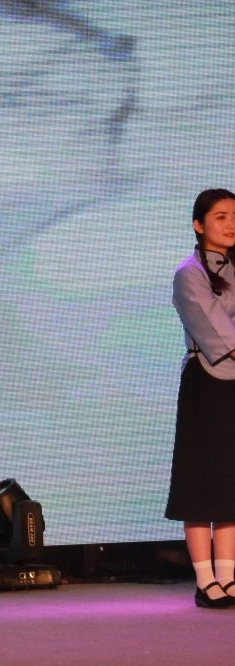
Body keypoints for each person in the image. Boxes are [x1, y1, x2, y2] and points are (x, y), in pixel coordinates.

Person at [166, 188, 235, 609]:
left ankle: (228, 576)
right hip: (206, 384)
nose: (231, 224)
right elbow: (217, 332)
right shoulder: (189, 272)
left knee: (230, 481)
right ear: (198, 224)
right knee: (201, 481)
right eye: (221, 217)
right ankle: (205, 579)